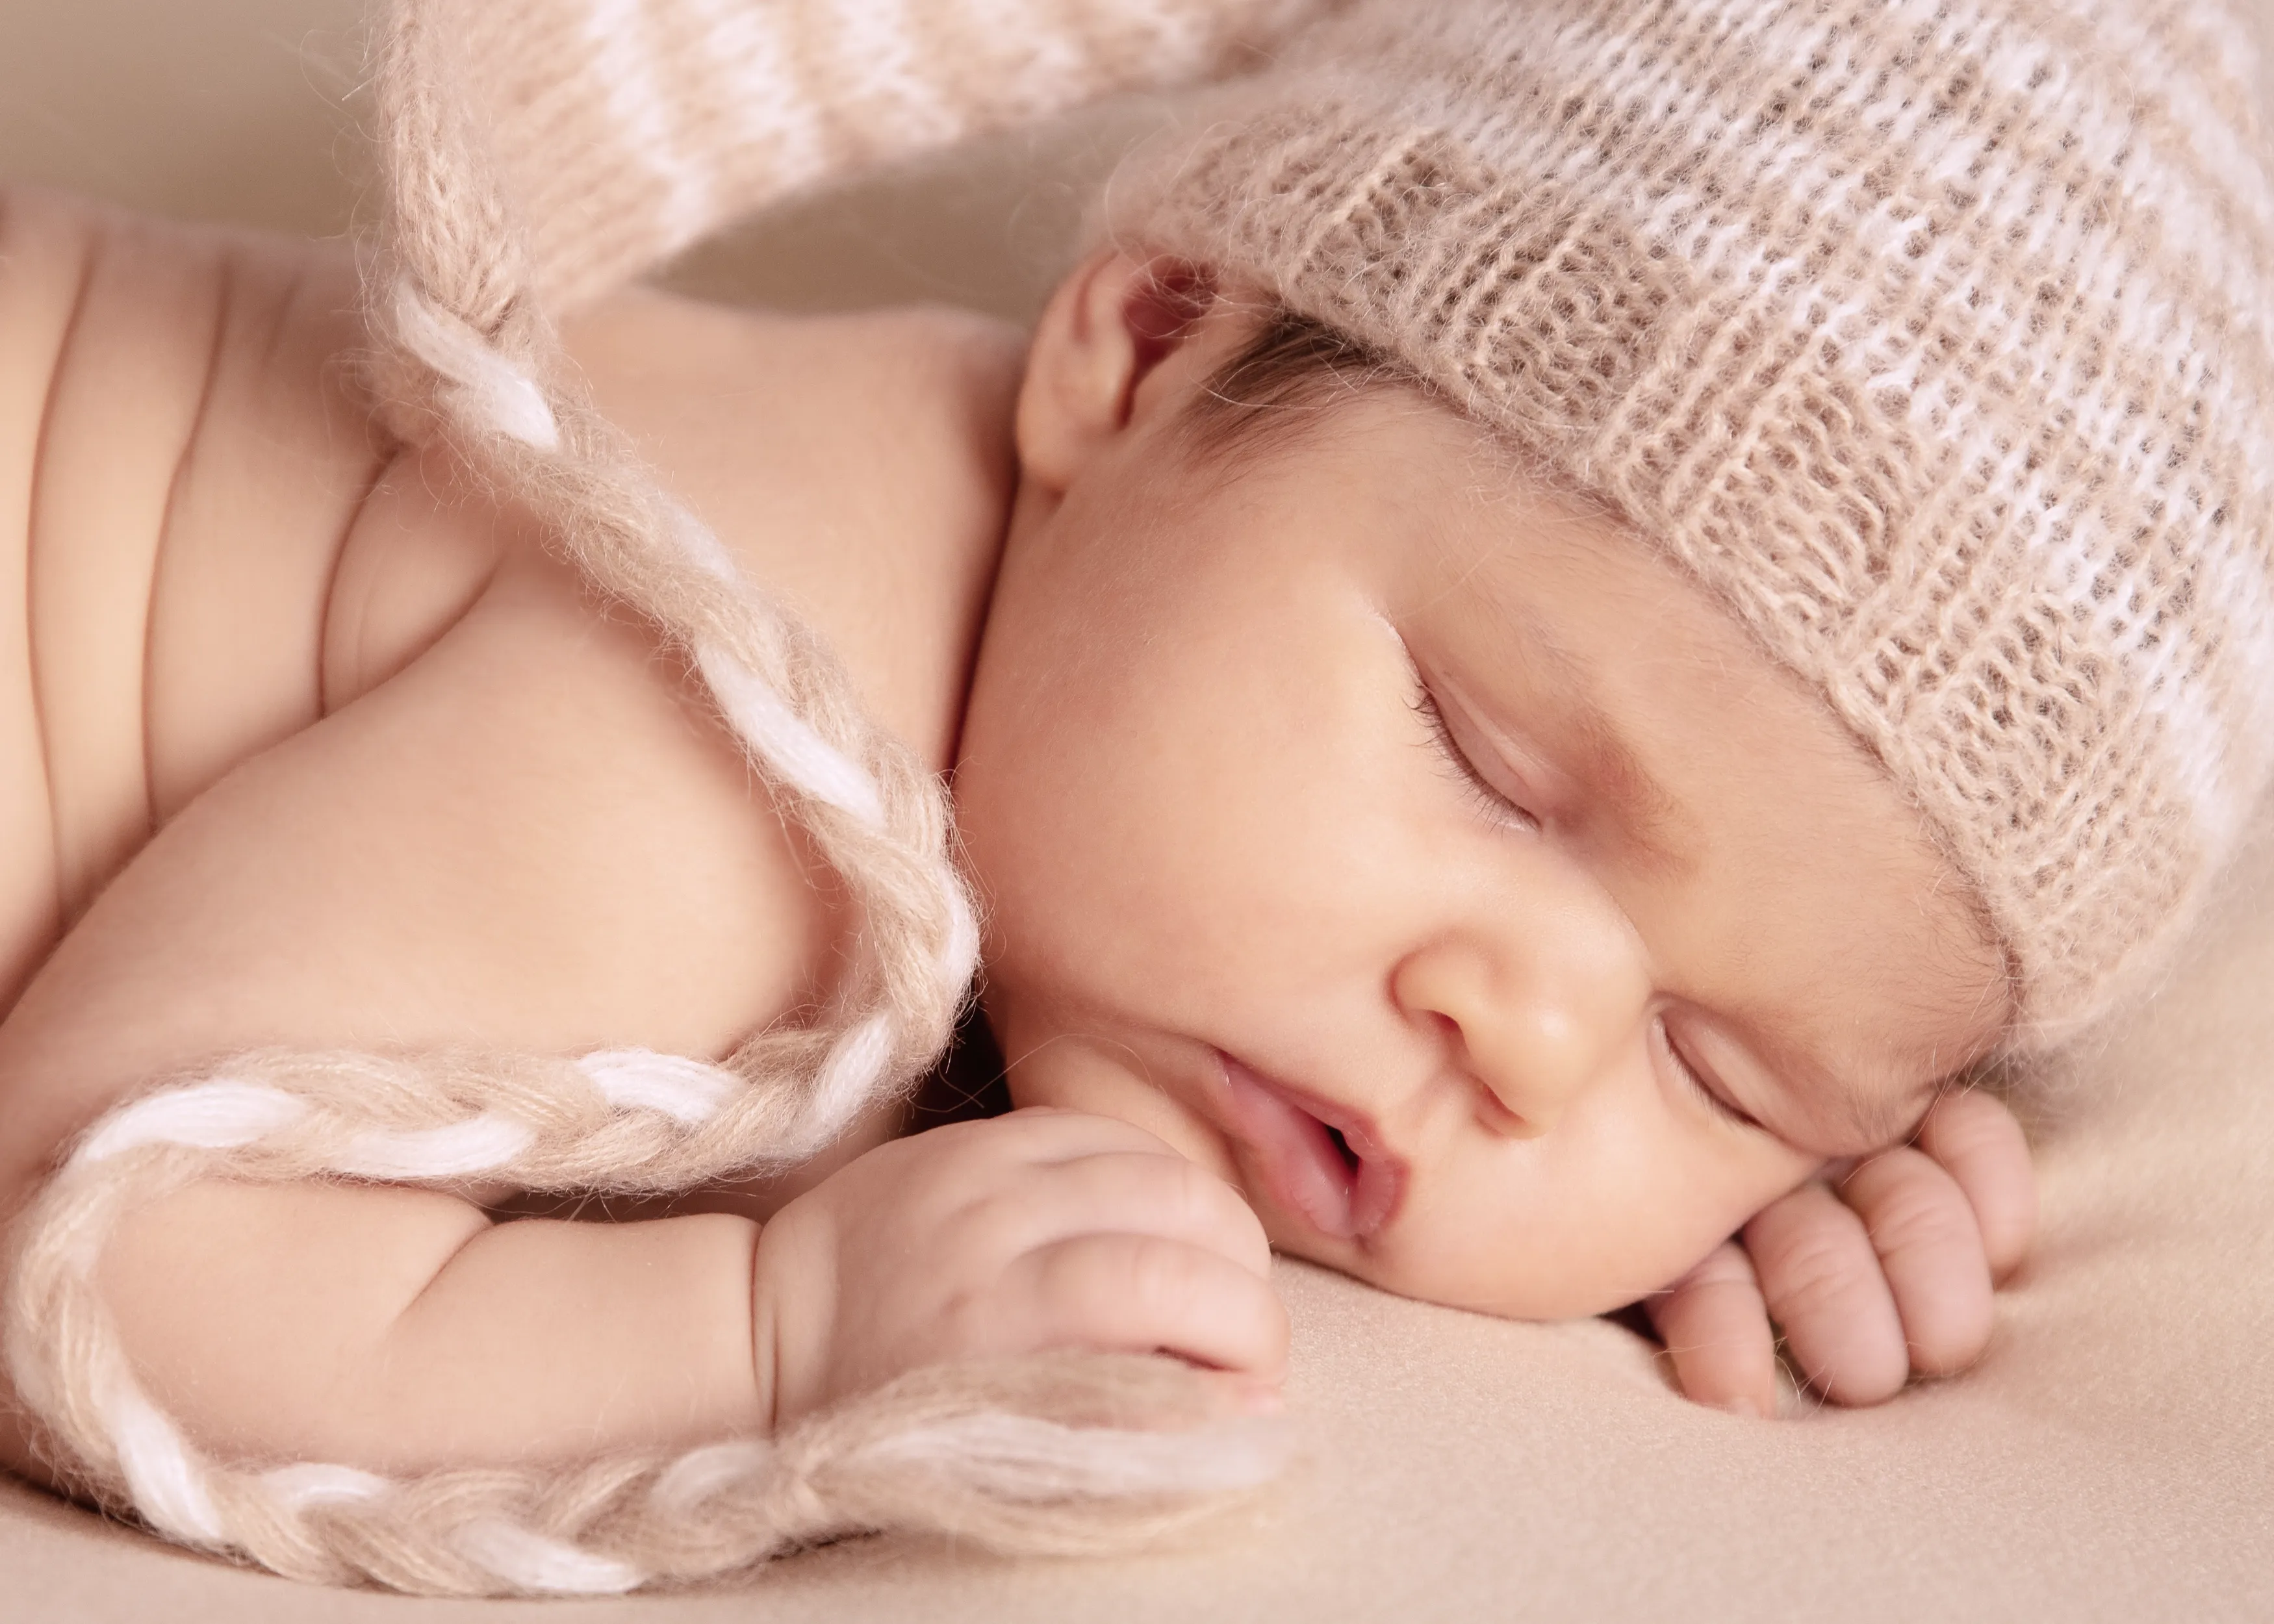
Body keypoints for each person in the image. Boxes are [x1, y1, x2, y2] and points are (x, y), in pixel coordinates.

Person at [0, 0, 2264, 1593]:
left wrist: (1715, 1211)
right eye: (1489, 764)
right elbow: (109, 1236)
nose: (1530, 1037)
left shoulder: (1135, 798)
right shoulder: (760, 707)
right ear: (1150, 345)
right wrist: (771, 1333)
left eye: (1720, 1055)